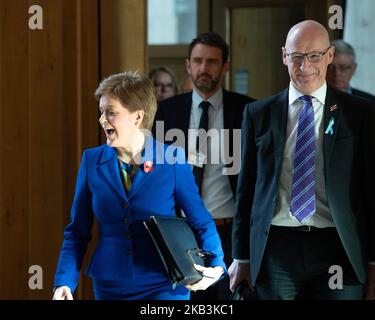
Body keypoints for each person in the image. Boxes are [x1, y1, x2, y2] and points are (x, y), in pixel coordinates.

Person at [229, 20, 375, 300]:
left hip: (338, 246)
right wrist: (241, 257)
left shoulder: (359, 114)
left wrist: (373, 262)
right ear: (284, 56)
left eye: (314, 56)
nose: (304, 66)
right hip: (276, 249)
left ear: (329, 56)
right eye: (296, 57)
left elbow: (371, 192)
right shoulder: (258, 113)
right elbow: (246, 189)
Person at [53, 71, 226, 300]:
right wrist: (64, 282)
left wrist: (216, 264)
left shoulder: (172, 160)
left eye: (111, 113)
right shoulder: (91, 161)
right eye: (101, 112)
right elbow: (77, 231)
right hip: (110, 285)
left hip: (166, 283)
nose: (102, 120)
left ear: (137, 117)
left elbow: (200, 221)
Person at [154, 32, 255, 300]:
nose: (203, 68)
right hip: (181, 231)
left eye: (212, 62)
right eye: (197, 61)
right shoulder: (166, 111)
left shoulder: (249, 110)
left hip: (230, 231)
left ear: (225, 67)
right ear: (188, 65)